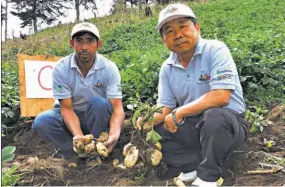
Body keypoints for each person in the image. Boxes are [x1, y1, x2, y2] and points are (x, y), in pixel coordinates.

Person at [136, 4, 248, 187]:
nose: (177, 35)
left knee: (213, 117)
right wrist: (146, 122)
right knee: (155, 132)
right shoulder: (167, 68)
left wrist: (179, 113)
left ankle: (208, 177)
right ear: (164, 41)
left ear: (197, 27)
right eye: (169, 31)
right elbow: (165, 108)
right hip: (193, 125)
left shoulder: (216, 50)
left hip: (227, 124)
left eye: (182, 26)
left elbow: (221, 97)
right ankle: (192, 166)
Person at [32, 22, 125, 160]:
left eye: (90, 41)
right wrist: (79, 137)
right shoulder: (61, 68)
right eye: (79, 41)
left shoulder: (109, 68)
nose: (84, 47)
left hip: (94, 115)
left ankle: (98, 149)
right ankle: (74, 154)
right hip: (69, 114)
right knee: (42, 121)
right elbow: (67, 109)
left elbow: (117, 107)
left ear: (98, 44)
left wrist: (114, 134)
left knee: (100, 104)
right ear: (72, 43)